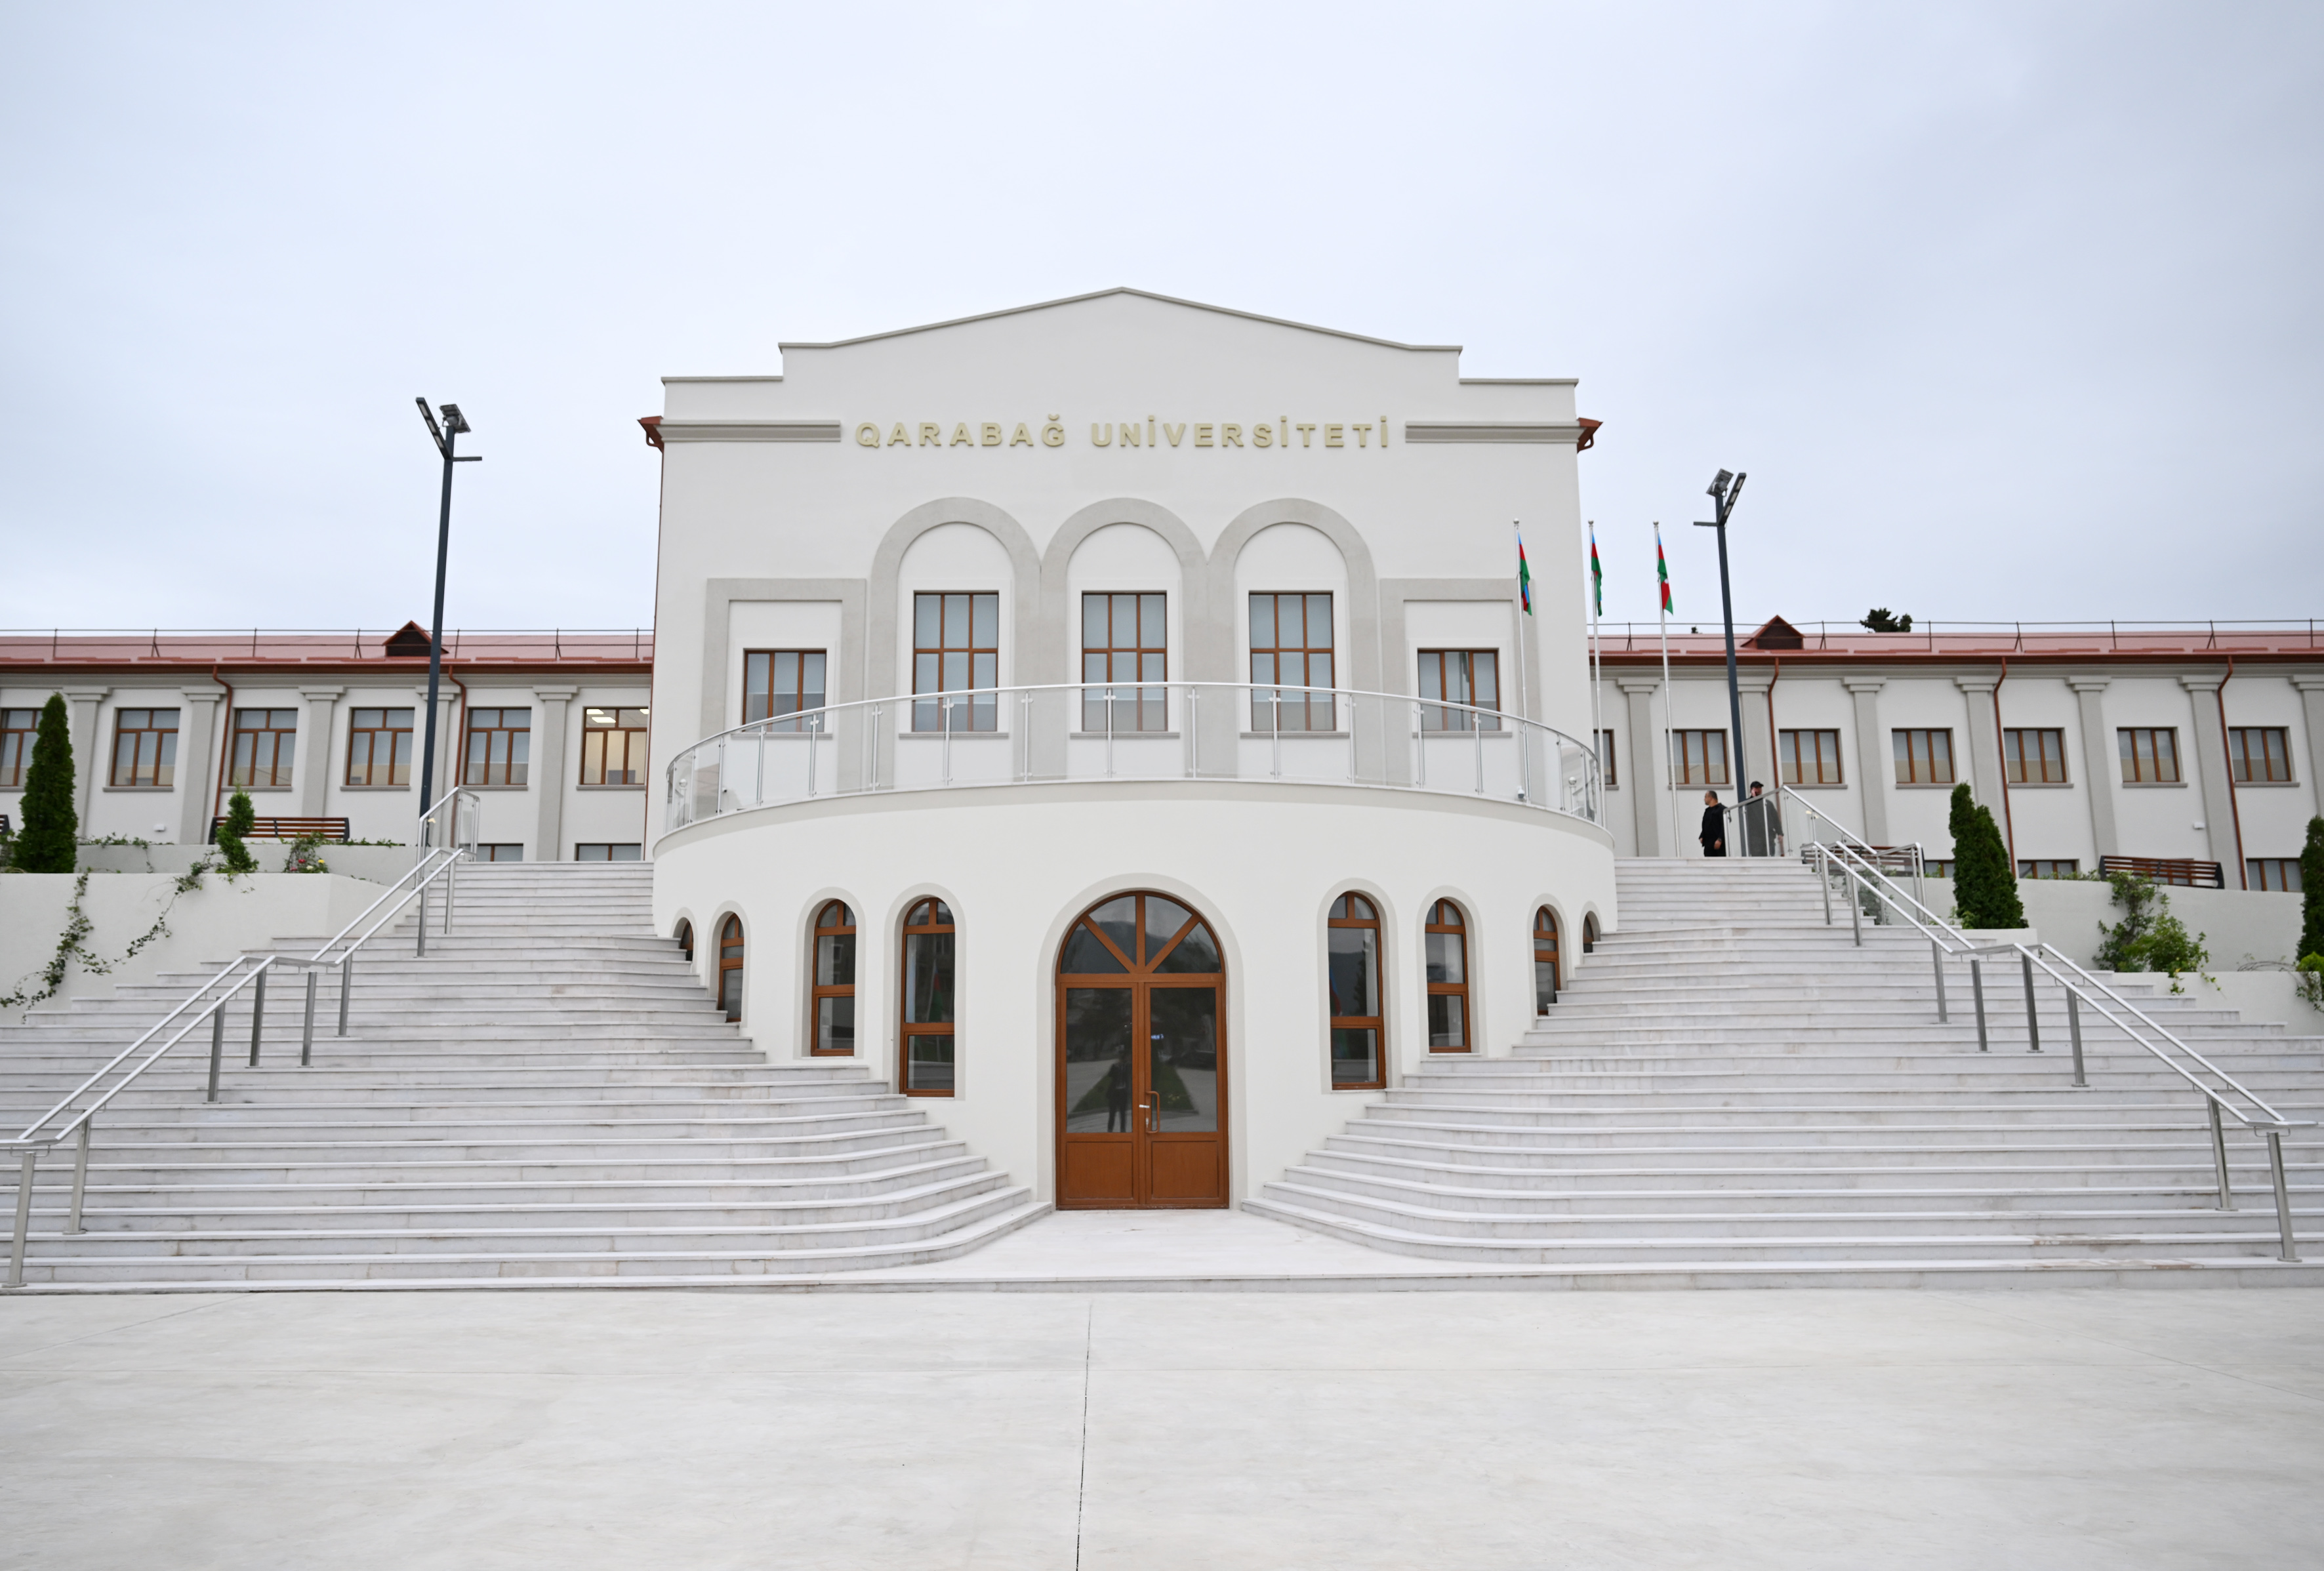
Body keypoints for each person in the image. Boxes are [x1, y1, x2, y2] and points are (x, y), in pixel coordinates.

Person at [1740, 780, 1786, 857]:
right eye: (1757, 788)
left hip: (1769, 836)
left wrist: (1780, 833)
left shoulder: (1768, 804)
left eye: (1760, 788)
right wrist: (1753, 797)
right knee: (1758, 858)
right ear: (1752, 790)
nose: (1759, 790)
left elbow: (1775, 819)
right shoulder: (1747, 804)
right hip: (1755, 838)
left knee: (1770, 856)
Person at [1699, 790, 1726, 857]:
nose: (1704, 799)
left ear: (1711, 798)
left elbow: (1724, 826)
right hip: (1708, 844)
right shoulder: (1707, 811)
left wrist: (1720, 839)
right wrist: (1702, 835)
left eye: (1706, 797)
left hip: (1719, 844)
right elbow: (1705, 825)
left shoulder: (1722, 809)